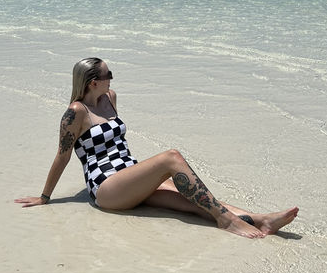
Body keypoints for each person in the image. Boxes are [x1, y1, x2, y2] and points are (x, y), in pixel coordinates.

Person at [16, 57, 299, 239]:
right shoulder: (75, 112)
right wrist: (44, 197)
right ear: (93, 82)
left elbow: (118, 143)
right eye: (108, 74)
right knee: (171, 158)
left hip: (129, 174)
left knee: (195, 202)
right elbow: (62, 156)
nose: (112, 78)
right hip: (106, 187)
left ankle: (261, 220)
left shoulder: (110, 98)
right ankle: (228, 221)